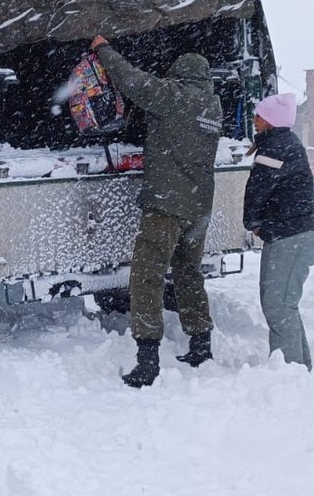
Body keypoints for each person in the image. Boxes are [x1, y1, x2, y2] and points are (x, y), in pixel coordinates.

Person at [90, 35, 223, 388]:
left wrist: (103, 49)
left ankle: (147, 360)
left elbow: (130, 80)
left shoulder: (173, 97)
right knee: (189, 274)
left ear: (179, 75)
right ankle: (200, 344)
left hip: (166, 206)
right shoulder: (214, 107)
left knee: (146, 278)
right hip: (199, 206)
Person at [242, 92, 314, 369]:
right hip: (295, 234)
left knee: (277, 305)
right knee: (285, 303)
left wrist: (254, 223)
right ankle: (299, 367)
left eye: (259, 116)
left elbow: (258, 189)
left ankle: (290, 372)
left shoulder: (276, 148)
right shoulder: (283, 144)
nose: (255, 120)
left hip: (290, 237)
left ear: (271, 120)